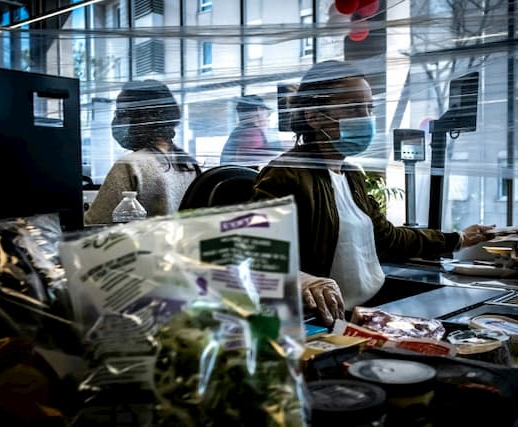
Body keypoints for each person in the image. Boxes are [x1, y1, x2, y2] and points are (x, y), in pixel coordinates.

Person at [251, 60, 494, 324]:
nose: (366, 118)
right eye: (355, 108)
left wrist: (458, 238)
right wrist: (301, 279)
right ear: (314, 116)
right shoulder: (286, 174)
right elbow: (254, 256)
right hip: (324, 320)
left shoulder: (351, 174)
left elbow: (388, 239)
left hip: (369, 311)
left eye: (369, 108)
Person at [84, 79, 201, 225]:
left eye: (121, 113)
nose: (115, 120)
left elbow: (95, 225)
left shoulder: (131, 165)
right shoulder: (188, 165)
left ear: (142, 117)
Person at [219, 94, 281, 167]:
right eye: (267, 114)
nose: (268, 119)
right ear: (259, 110)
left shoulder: (240, 131)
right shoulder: (252, 133)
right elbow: (251, 165)